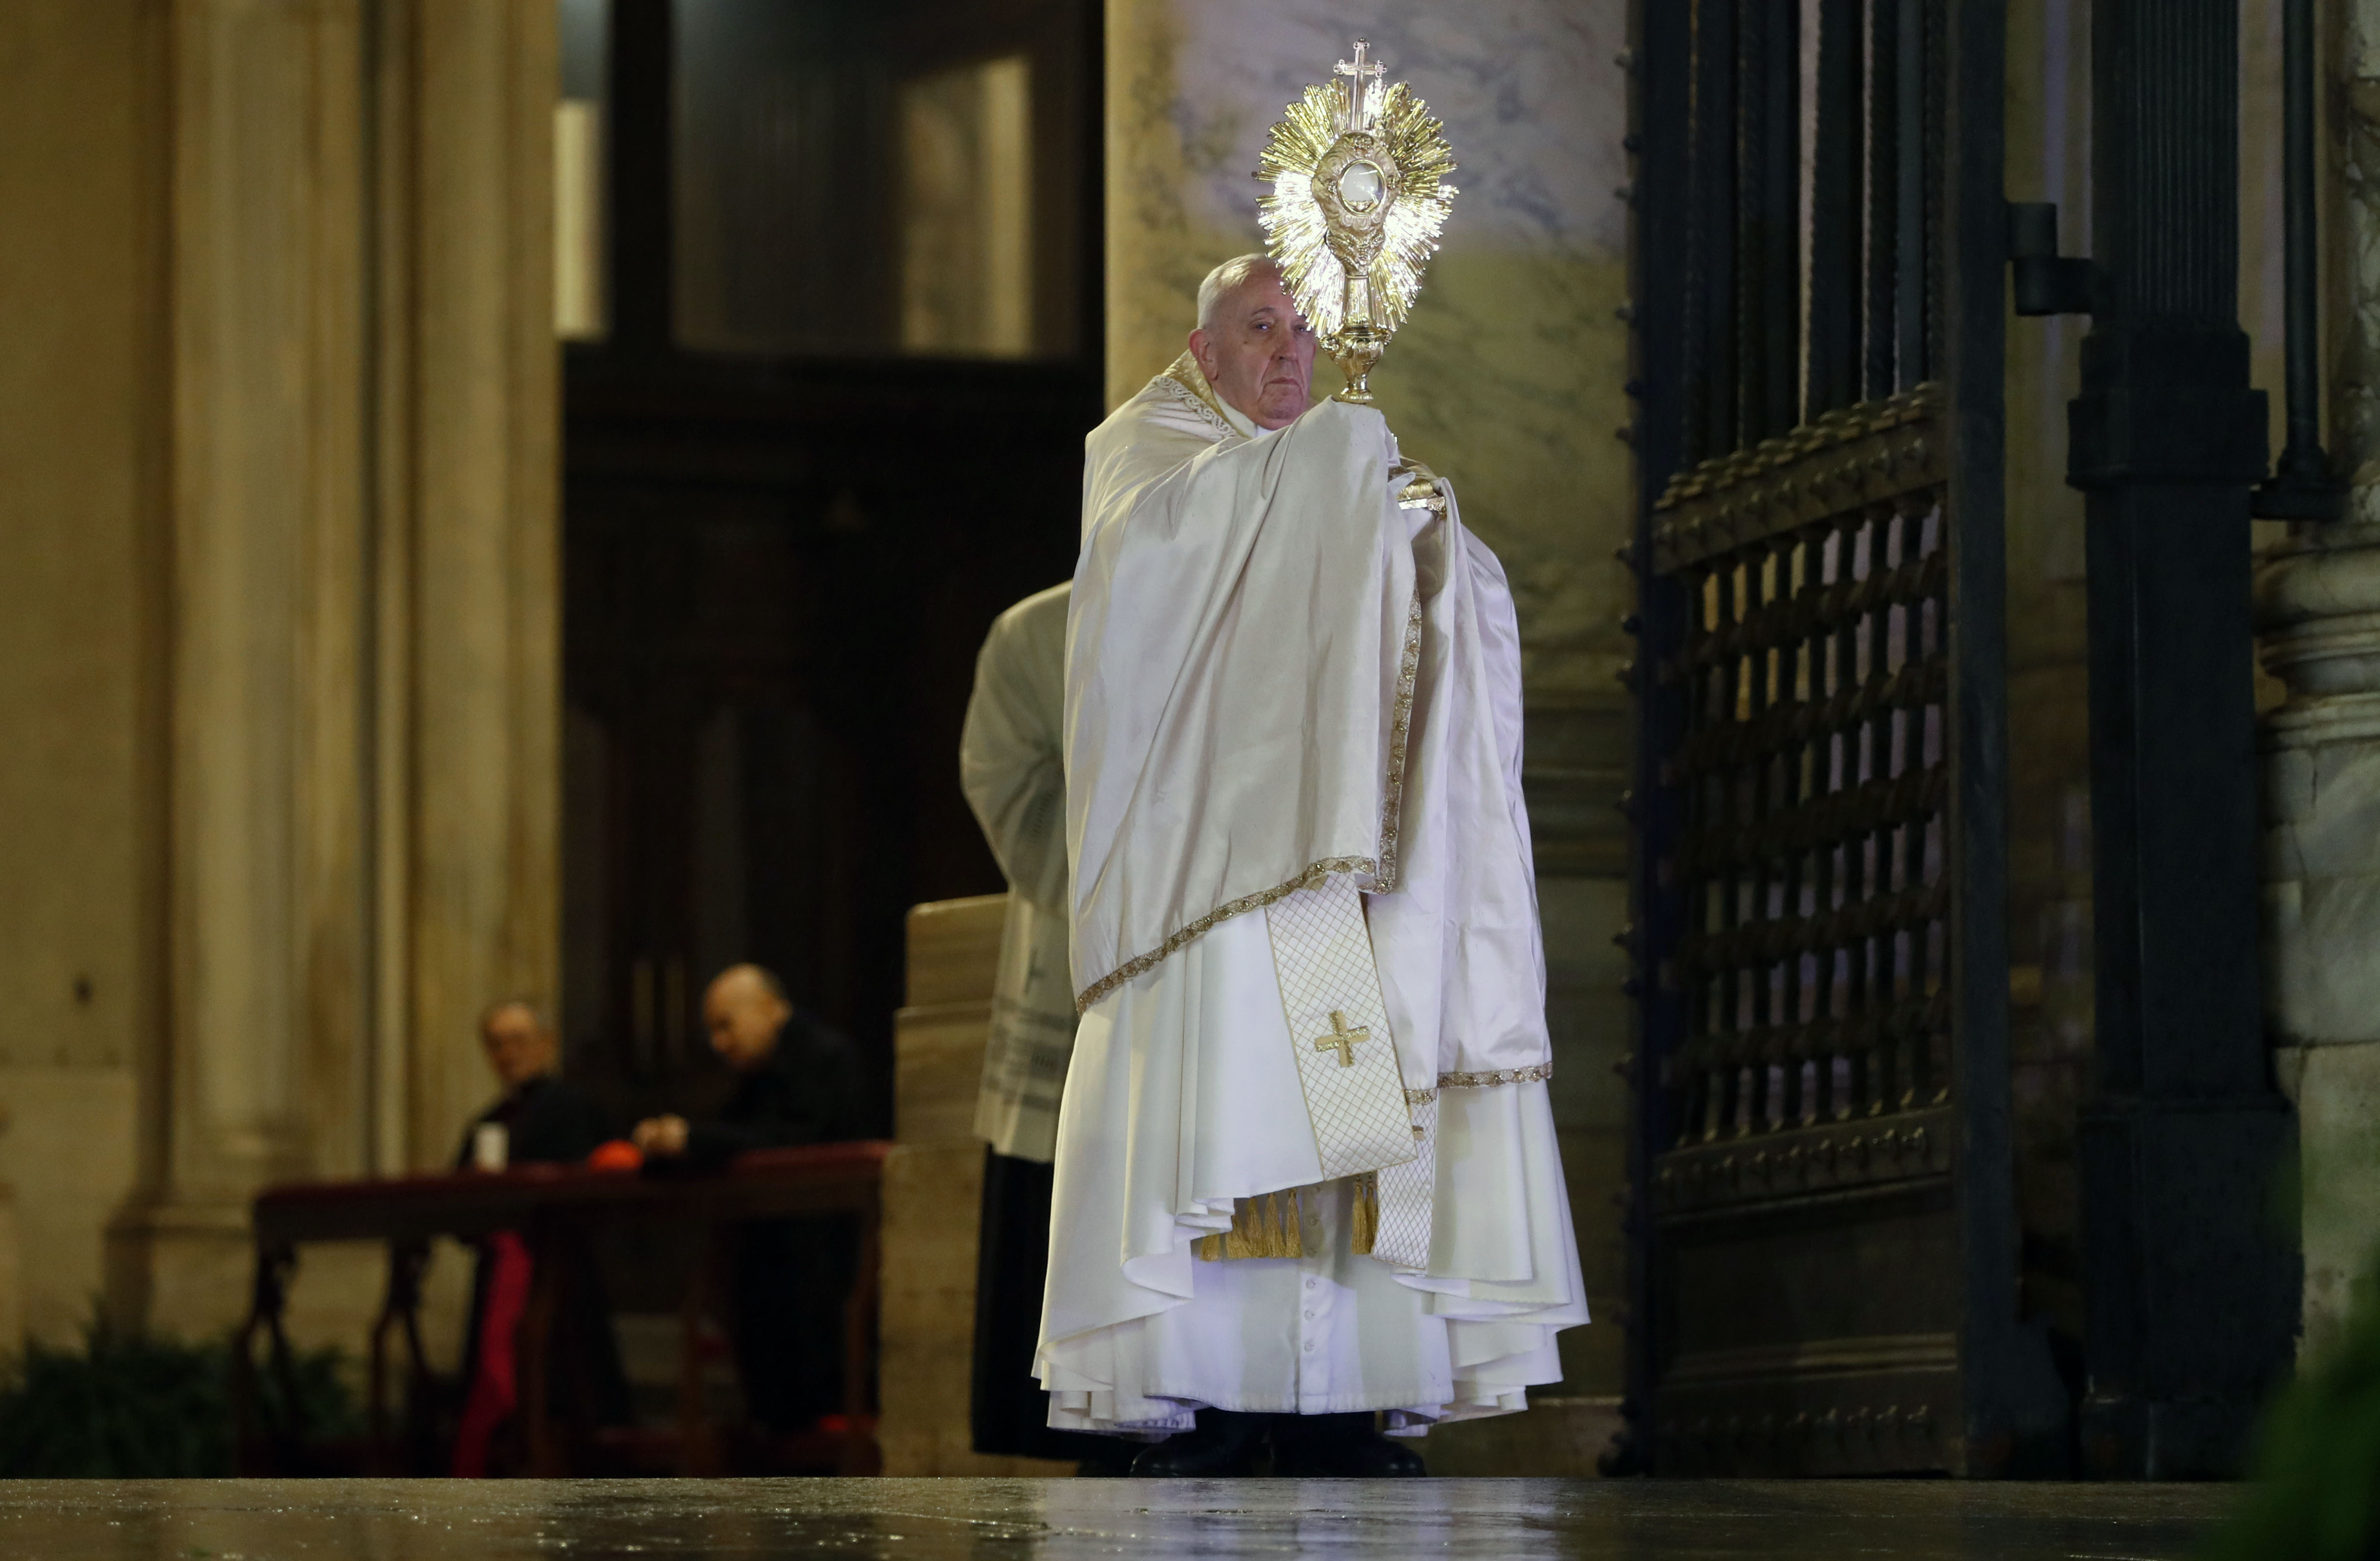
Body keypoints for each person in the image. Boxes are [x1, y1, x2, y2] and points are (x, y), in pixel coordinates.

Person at [1038, 255, 1588, 1476]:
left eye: (1304, 332)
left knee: (1351, 1120)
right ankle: (1211, 1388)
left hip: (1342, 885)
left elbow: (1452, 605)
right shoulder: (1150, 456)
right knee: (1228, 1116)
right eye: (1260, 328)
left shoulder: (1344, 468)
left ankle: (1345, 1387)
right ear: (1205, 347)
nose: (1288, 352)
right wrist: (1335, 485)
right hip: (1212, 888)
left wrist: (1422, 529)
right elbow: (1159, 590)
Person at [958, 583, 1134, 1475]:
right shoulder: (1038, 628)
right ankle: (1090, 1425)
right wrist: (1124, 875)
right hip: (1083, 959)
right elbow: (1005, 780)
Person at [633, 964, 863, 1433]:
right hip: (768, 1254)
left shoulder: (824, 1058)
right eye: (712, 1030)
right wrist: (667, 1144)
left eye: (725, 1025)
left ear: (767, 1008)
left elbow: (791, 1140)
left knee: (810, 1403)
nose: (719, 1043)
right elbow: (734, 1133)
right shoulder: (759, 1071)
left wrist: (692, 1138)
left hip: (819, 1258)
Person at [450, 1001, 628, 1474]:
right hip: (499, 1275)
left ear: (546, 1044)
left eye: (520, 1040)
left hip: (560, 1275)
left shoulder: (573, 1107)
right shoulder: (488, 1121)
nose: (509, 1053)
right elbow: (456, 1203)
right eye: (497, 1043)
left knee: (566, 1395)